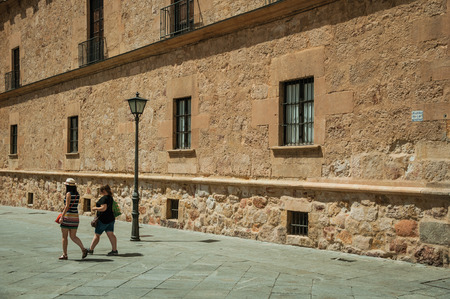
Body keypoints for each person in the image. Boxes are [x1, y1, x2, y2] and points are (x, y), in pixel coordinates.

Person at [58, 178, 88, 260]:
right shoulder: (77, 194)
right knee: (73, 236)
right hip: (75, 217)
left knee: (64, 237)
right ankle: (83, 249)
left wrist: (62, 217)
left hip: (68, 216)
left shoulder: (68, 194)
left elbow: (67, 206)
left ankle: (64, 254)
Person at [88, 185, 118, 256]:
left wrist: (95, 208)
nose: (100, 192)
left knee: (97, 235)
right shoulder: (110, 197)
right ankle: (114, 250)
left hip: (103, 220)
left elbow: (104, 208)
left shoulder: (104, 198)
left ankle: (91, 249)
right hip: (111, 219)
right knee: (111, 234)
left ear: (103, 191)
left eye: (100, 191)